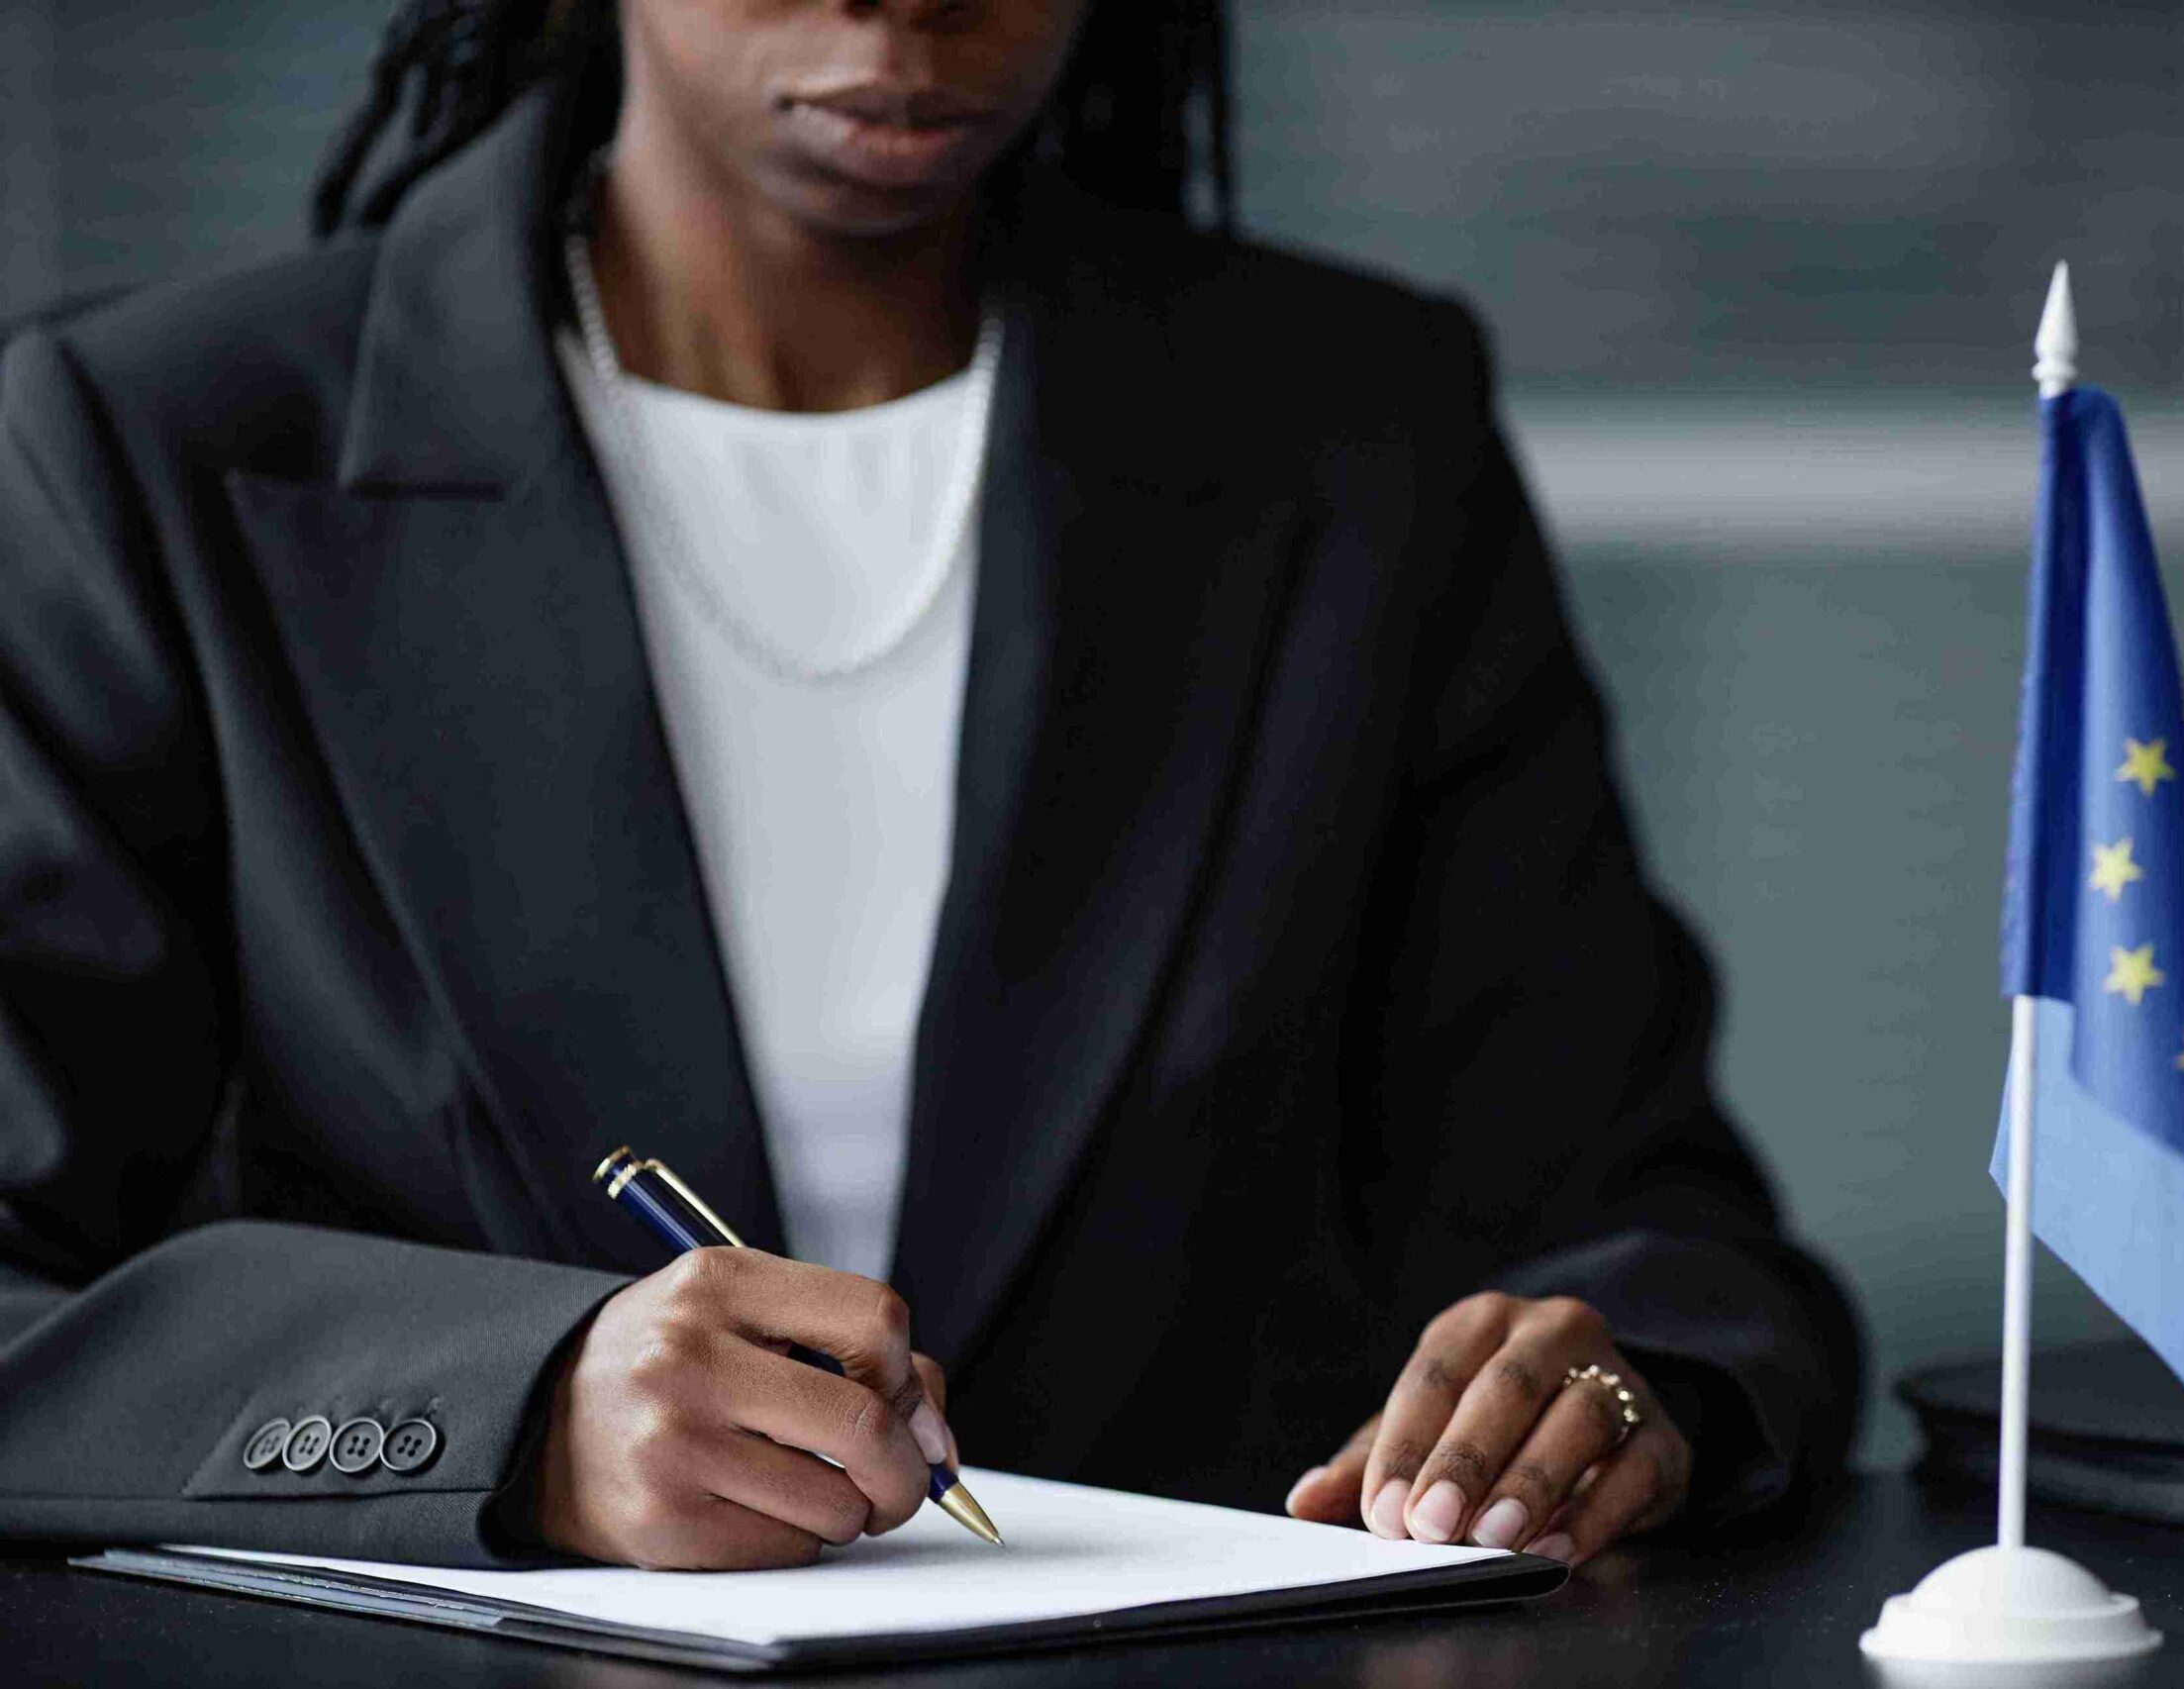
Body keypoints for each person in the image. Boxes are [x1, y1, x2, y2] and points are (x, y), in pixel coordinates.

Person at [0, 0, 1859, 1573]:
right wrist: (515, 1413)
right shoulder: (153, 449)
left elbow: (1655, 1219)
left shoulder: (1357, 434)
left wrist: (1616, 1388)